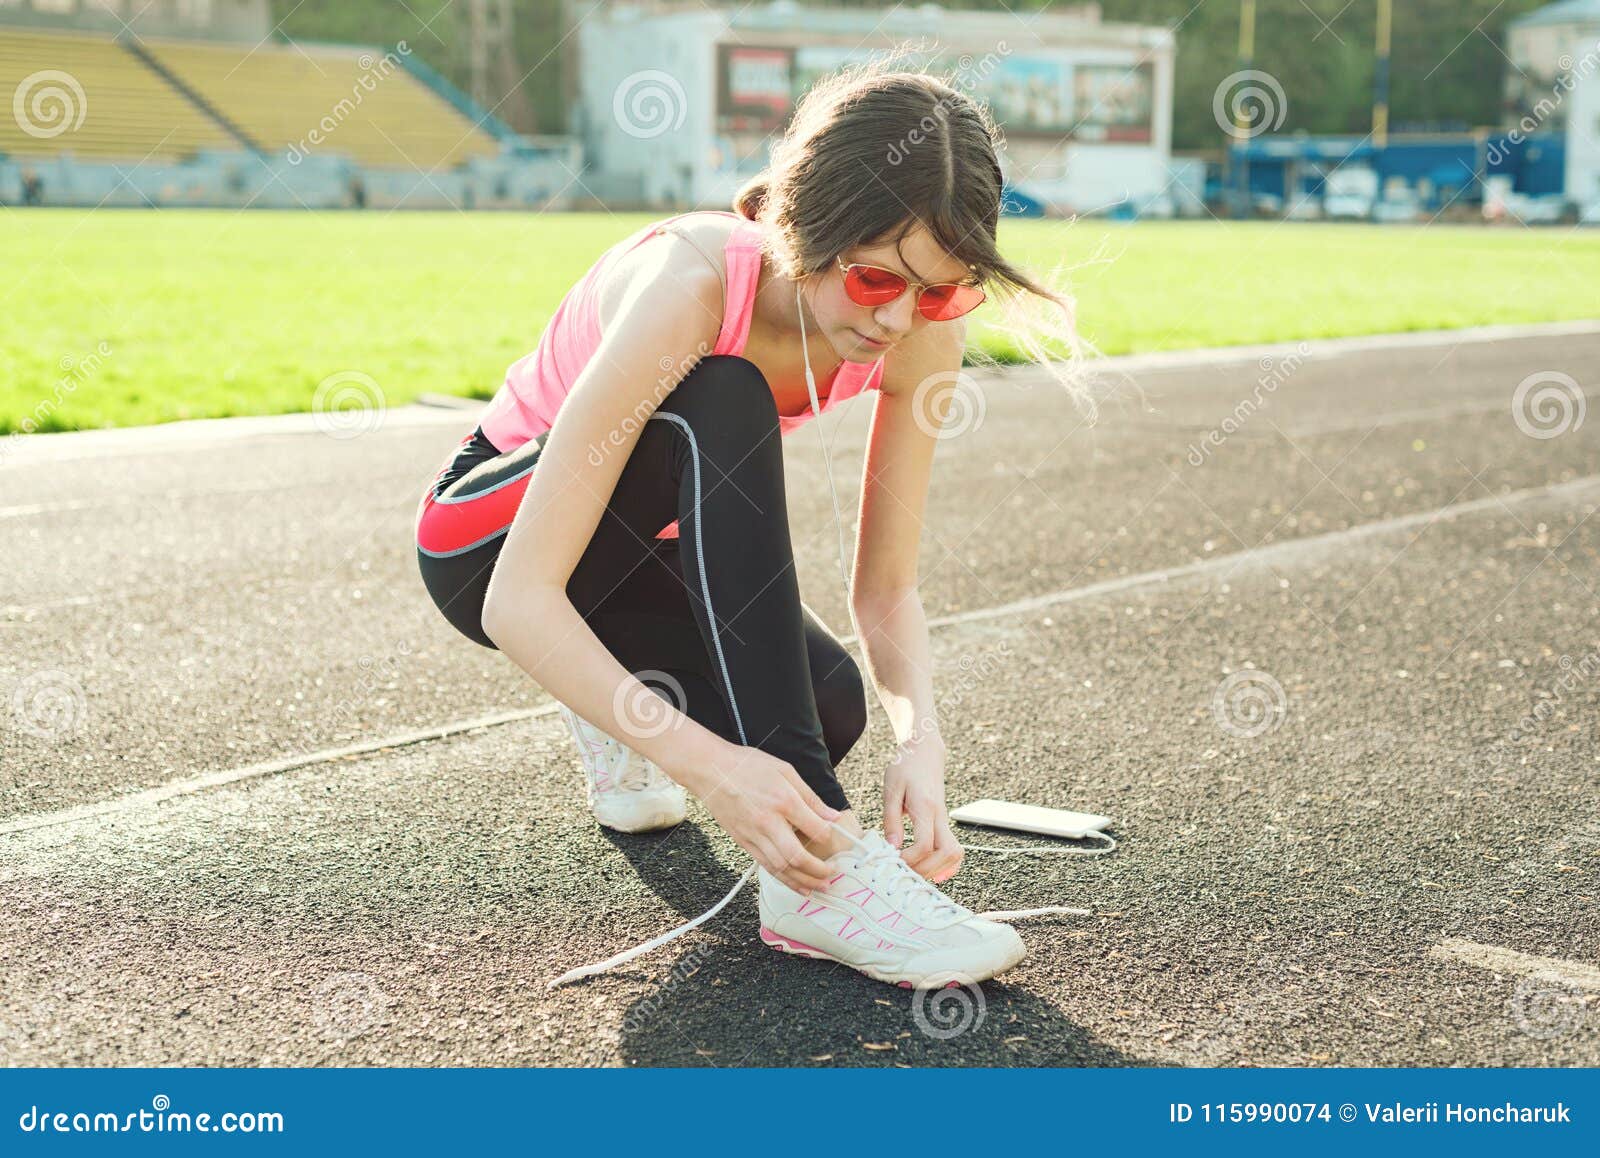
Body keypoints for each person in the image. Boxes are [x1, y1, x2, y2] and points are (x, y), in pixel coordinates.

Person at [415, 53, 1089, 988]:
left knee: (830, 704)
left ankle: (617, 709)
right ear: (802, 228)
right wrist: (713, 769)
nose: (900, 320)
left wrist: (920, 742)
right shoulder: (695, 281)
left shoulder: (924, 333)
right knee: (723, 394)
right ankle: (819, 885)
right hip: (487, 543)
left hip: (644, 565)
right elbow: (518, 602)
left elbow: (886, 588)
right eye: (873, 281)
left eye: (939, 289)